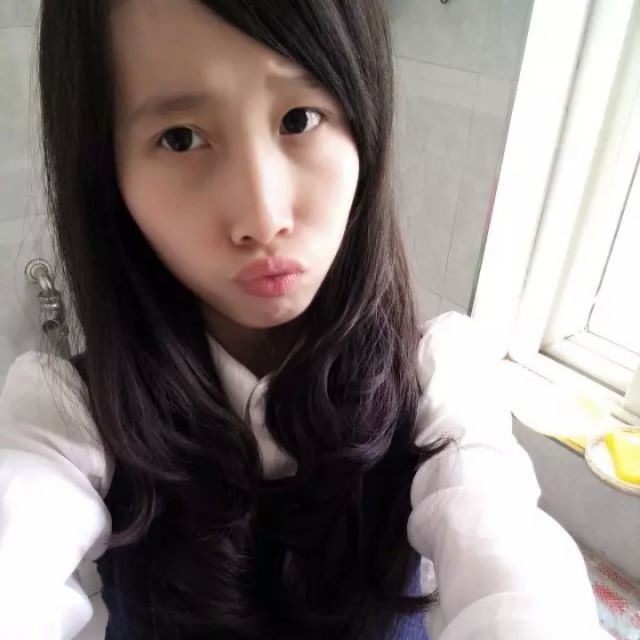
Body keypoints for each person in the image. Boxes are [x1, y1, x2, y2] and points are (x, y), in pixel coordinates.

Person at [0, 1, 608, 639]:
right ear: (107, 172)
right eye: (180, 137)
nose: (263, 218)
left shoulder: (441, 384)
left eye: (300, 118)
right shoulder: (66, 416)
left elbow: (511, 563)